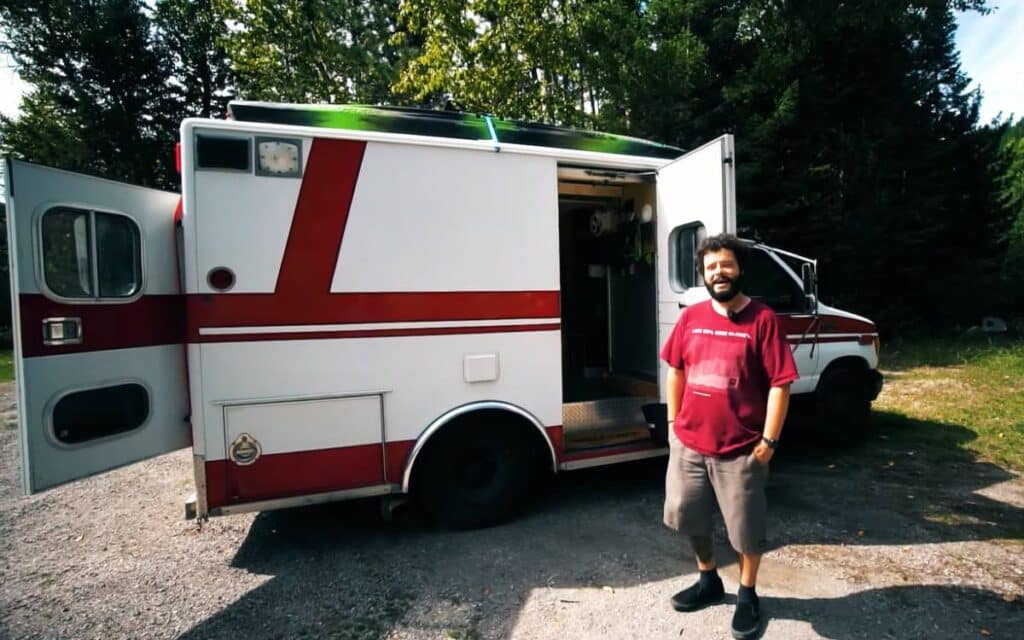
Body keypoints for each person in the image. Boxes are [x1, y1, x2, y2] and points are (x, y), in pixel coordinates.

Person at [661, 233, 798, 640]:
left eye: (726, 265)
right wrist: (672, 425)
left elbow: (780, 383)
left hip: (741, 449)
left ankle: (747, 594)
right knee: (691, 518)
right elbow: (676, 370)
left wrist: (770, 441)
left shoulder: (763, 320)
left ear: (739, 269)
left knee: (745, 529)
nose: (718, 273)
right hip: (688, 444)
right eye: (711, 268)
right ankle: (708, 580)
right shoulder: (691, 317)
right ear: (703, 275)